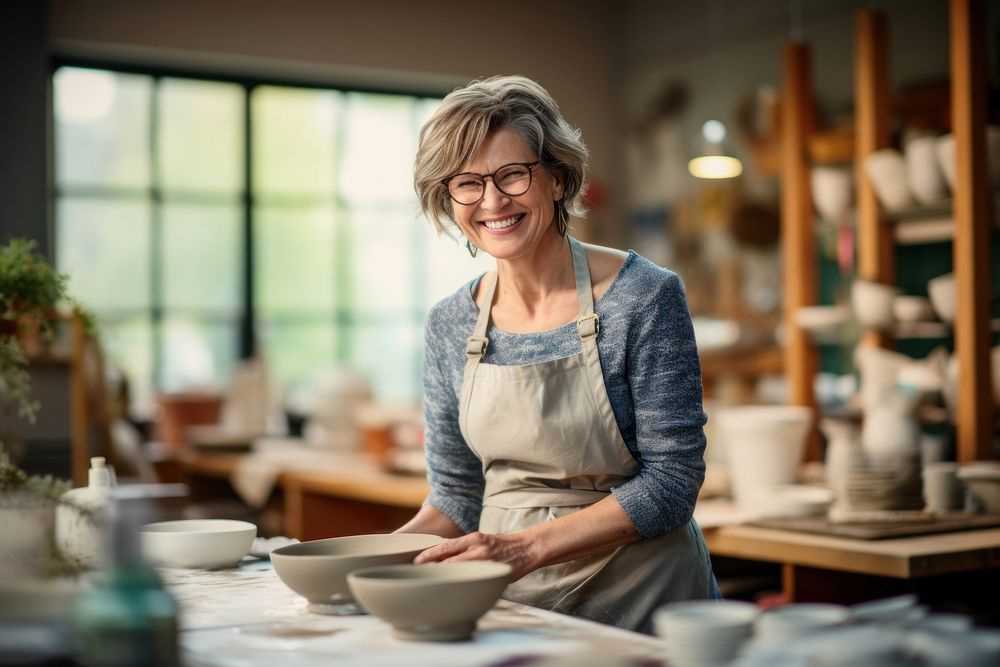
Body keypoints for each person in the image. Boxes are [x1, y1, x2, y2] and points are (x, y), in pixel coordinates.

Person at [397, 74, 720, 634]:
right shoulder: (450, 323)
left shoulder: (642, 297)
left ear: (557, 177)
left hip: (644, 602)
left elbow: (673, 483)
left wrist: (524, 548)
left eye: (512, 175)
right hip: (509, 606)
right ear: (448, 198)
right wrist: (369, 561)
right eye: (467, 183)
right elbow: (455, 495)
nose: (492, 201)